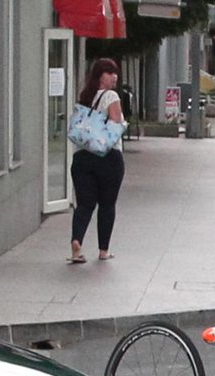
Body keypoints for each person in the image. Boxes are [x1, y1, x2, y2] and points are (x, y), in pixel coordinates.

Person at [68, 58, 125, 264]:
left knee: (84, 204)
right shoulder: (111, 95)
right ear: (100, 76)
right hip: (108, 156)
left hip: (82, 157)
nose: (114, 77)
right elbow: (116, 123)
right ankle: (103, 250)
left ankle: (76, 243)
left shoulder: (85, 96)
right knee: (107, 204)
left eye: (115, 73)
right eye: (109, 73)